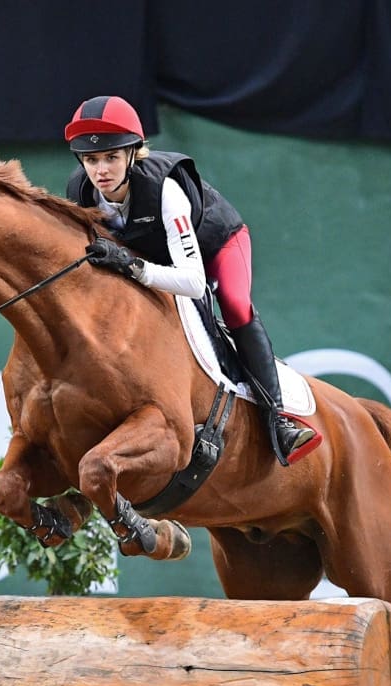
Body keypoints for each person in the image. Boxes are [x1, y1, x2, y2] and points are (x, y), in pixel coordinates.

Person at [62, 95, 315, 465]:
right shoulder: (80, 192)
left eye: (111, 157)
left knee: (233, 304)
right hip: (156, 256)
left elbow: (194, 283)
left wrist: (134, 267)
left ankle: (277, 419)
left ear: (133, 154)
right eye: (91, 159)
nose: (101, 170)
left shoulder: (164, 191)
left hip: (216, 245)